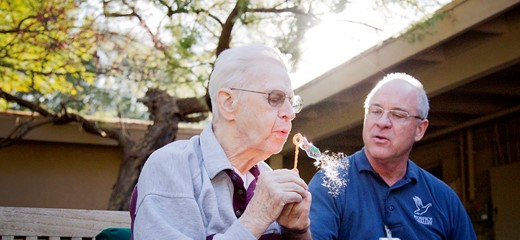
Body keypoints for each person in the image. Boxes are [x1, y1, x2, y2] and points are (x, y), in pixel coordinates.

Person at [132, 44, 312, 239]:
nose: (291, 113)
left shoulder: (269, 178)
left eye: (292, 102)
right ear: (228, 102)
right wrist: (256, 217)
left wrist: (297, 231)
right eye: (275, 98)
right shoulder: (173, 166)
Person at [308, 73, 476, 239]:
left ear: (420, 129)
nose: (382, 122)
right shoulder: (329, 183)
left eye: (398, 115)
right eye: (375, 111)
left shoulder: (443, 198)